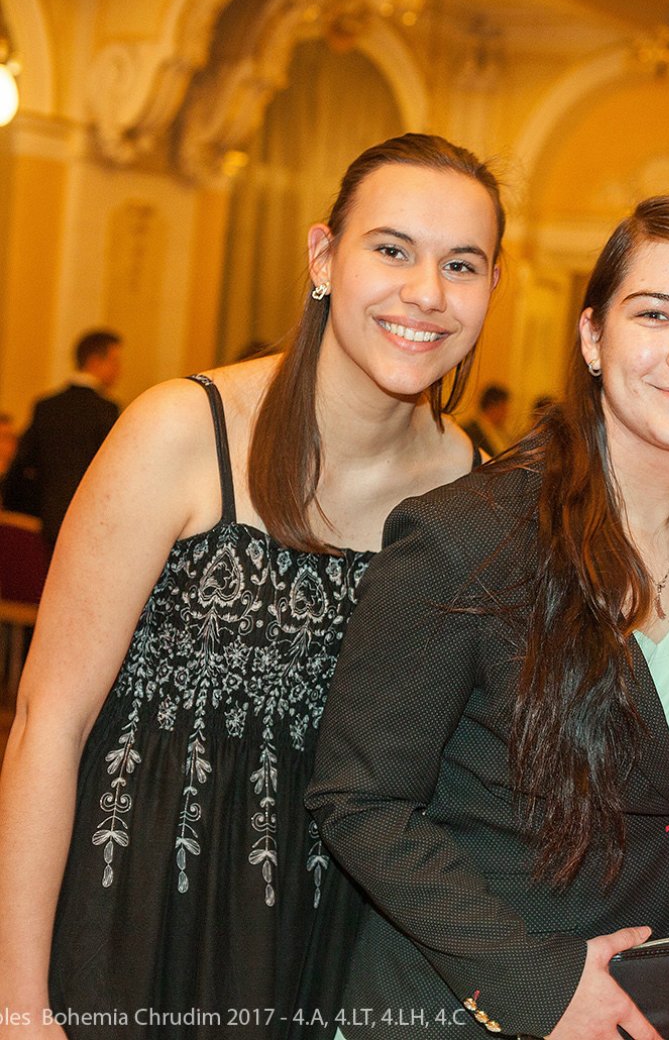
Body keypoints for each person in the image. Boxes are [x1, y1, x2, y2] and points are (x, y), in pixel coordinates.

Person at [0, 133, 504, 1040]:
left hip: (337, 947)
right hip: (134, 913)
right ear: (324, 257)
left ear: (492, 288)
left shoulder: (476, 491)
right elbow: (48, 721)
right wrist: (18, 1006)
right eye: (392, 249)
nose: (427, 292)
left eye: (461, 264)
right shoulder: (181, 431)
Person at [306, 194, 669, 1040]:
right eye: (655, 314)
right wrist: (536, 982)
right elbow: (361, 800)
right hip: (465, 1005)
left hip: (654, 998)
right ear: (593, 337)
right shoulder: (468, 536)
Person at [2, 330, 123, 554]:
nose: (120, 370)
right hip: (88, 517)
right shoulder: (105, 410)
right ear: (95, 361)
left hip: (48, 517)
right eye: (115, 361)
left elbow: (23, 460)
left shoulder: (46, 406)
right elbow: (113, 469)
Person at [462, 381, 512, 456]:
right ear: (492, 407)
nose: (506, 414)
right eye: (503, 409)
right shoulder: (470, 431)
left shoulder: (500, 432)